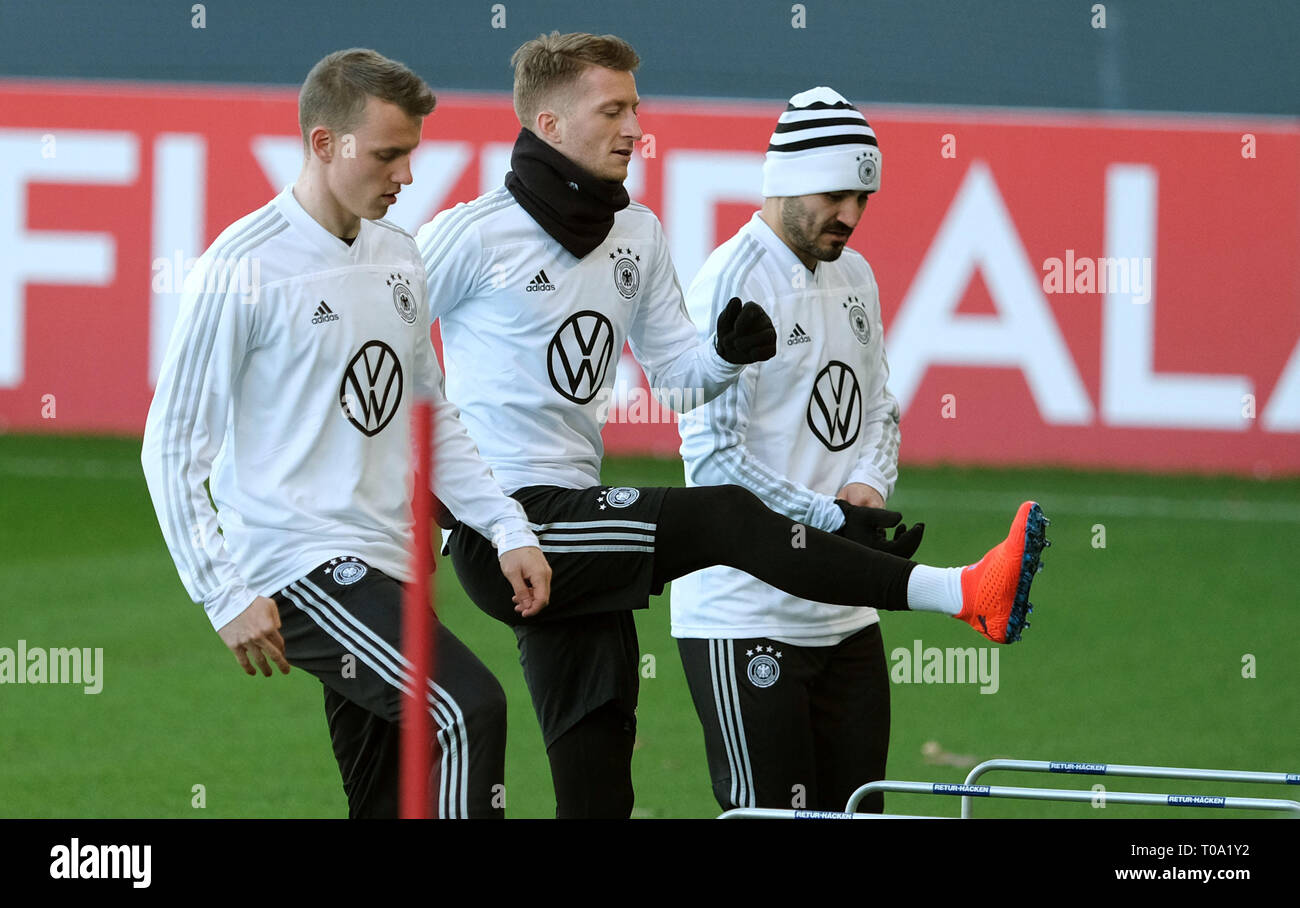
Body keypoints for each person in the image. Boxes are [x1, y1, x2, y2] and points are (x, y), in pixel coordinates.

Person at [416, 31, 1048, 819]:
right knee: (720, 515)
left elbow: (680, 380)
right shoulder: (472, 233)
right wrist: (440, 487)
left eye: (635, 108)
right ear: (547, 124)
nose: (633, 128)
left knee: (599, 774)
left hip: (577, 526)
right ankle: (958, 592)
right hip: (510, 528)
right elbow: (375, 341)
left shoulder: (637, 234)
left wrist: (721, 357)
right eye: (612, 110)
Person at [140, 48, 551, 819]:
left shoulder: (399, 254)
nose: (406, 176)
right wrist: (222, 592)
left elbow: (430, 413)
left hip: (387, 566)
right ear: (325, 145)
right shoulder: (244, 265)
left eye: (411, 155)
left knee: (388, 794)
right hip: (300, 562)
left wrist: (504, 526)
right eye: (389, 154)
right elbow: (170, 443)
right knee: (465, 711)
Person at [672, 87, 917, 814]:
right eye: (836, 193)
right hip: (746, 613)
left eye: (863, 198)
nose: (851, 214)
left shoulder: (857, 276)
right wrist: (829, 519)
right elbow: (715, 458)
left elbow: (879, 405)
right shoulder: (732, 279)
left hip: (845, 615)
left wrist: (867, 485)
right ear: (784, 181)